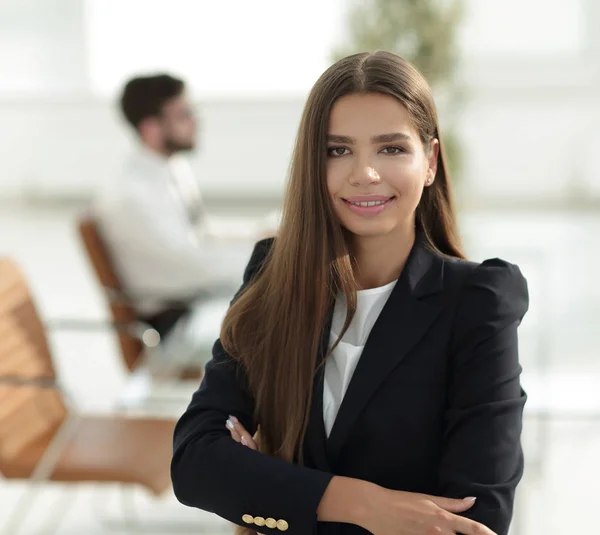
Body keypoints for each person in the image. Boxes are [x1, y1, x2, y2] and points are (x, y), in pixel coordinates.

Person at [170, 51, 528, 535]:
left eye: (391, 149)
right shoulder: (273, 276)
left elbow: (475, 522)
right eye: (337, 150)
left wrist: (272, 484)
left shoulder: (478, 302)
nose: (365, 174)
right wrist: (364, 504)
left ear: (430, 161)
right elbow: (195, 462)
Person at [93, 74, 272, 373]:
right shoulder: (132, 196)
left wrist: (261, 236)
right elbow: (193, 265)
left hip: (194, 298)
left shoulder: (167, 167)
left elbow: (199, 234)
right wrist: (272, 255)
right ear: (151, 128)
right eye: (183, 115)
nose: (195, 122)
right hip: (175, 324)